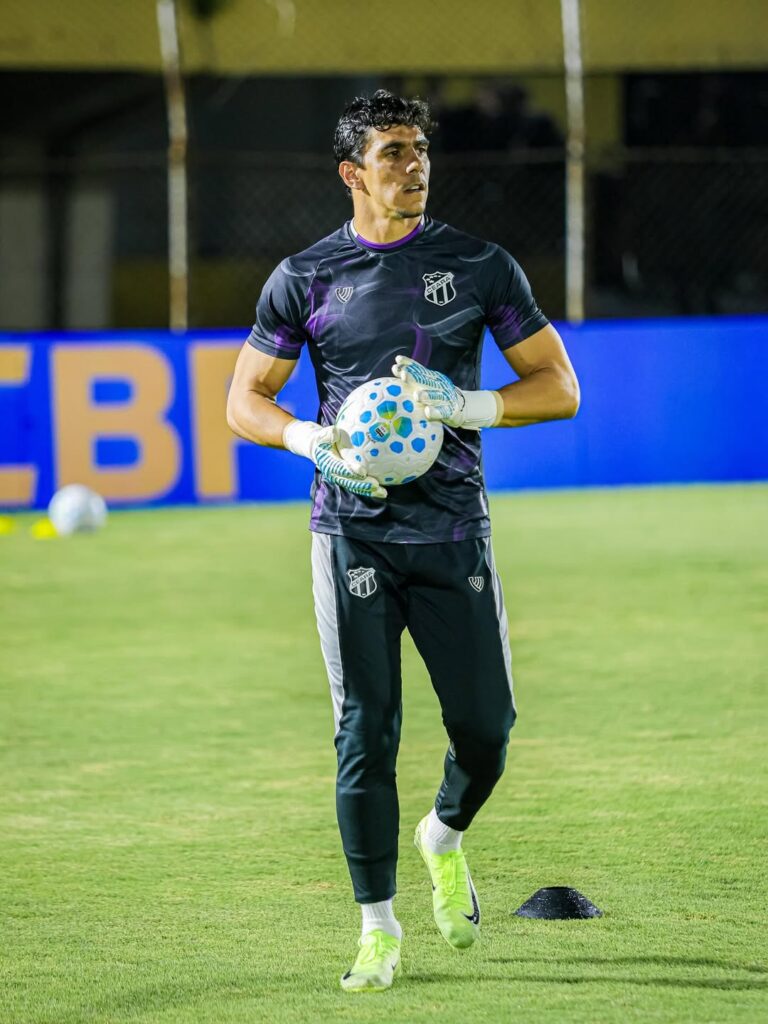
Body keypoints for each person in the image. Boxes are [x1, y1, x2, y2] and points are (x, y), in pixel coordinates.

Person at [226, 90, 580, 992]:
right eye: (392, 152)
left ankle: (443, 835)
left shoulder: (479, 265)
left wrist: (469, 403)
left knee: (488, 731)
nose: (413, 165)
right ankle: (377, 929)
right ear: (353, 172)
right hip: (353, 533)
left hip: (453, 531)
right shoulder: (305, 277)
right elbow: (243, 400)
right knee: (366, 731)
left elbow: (559, 386)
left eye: (419, 149)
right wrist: (309, 438)